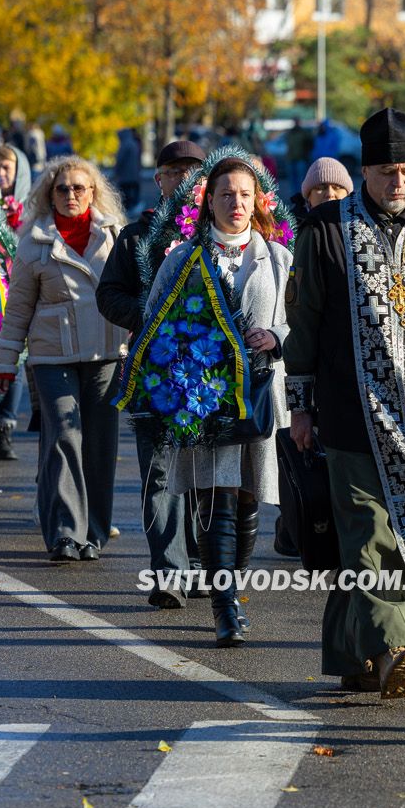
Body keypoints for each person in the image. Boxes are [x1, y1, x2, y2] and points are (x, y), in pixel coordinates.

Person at [284, 107, 405, 698]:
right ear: (365, 171)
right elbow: (304, 323)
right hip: (347, 411)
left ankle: (352, 654)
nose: (398, 183)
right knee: (367, 535)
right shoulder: (327, 229)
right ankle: (395, 651)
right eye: (387, 171)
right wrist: (300, 406)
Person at [139, 153, 292, 646]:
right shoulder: (186, 258)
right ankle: (225, 607)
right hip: (203, 399)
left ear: (258, 200)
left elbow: (297, 319)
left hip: (259, 394)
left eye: (245, 194)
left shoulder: (278, 257)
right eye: (226, 194)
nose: (236, 203)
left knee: (247, 496)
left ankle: (234, 588)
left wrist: (276, 336)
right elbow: (154, 319)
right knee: (215, 493)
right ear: (209, 201)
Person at [0, 156, 127, 562]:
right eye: (62, 189)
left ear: (94, 192)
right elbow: (17, 308)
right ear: (48, 194)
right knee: (63, 439)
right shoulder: (33, 240)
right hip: (52, 356)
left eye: (80, 188)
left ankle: (95, 533)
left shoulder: (115, 234)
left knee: (101, 445)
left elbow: (131, 294)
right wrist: (6, 359)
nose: (71, 195)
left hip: (105, 354)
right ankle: (65, 533)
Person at [96, 140, 208, 608]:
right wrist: (149, 311)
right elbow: (109, 295)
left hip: (211, 377)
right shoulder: (138, 236)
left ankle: (204, 567)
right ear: (157, 179)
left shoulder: (225, 231)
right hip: (153, 374)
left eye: (192, 171)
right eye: (172, 171)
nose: (182, 180)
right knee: (160, 474)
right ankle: (168, 572)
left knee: (206, 476)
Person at [0, 143, 35, 460]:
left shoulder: (32, 208)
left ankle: (5, 427)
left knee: (15, 358)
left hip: (18, 292)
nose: (1, 175)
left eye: (7, 169)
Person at [291, 157, 352, 224]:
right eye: (321, 188)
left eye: (336, 188)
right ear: (308, 197)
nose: (330, 194)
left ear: (347, 195)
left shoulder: (361, 224)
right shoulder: (290, 228)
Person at [114, 128, 143, 213]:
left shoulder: (124, 144)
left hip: (125, 175)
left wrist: (116, 170)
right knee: (133, 193)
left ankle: (128, 211)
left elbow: (120, 160)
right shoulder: (134, 143)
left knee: (125, 195)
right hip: (134, 174)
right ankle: (134, 208)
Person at [284, 118, 313, 193]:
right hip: (291, 158)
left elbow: (310, 144)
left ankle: (301, 194)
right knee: (292, 179)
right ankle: (294, 194)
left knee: (301, 179)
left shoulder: (304, 133)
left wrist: (306, 154)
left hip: (301, 158)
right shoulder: (290, 133)